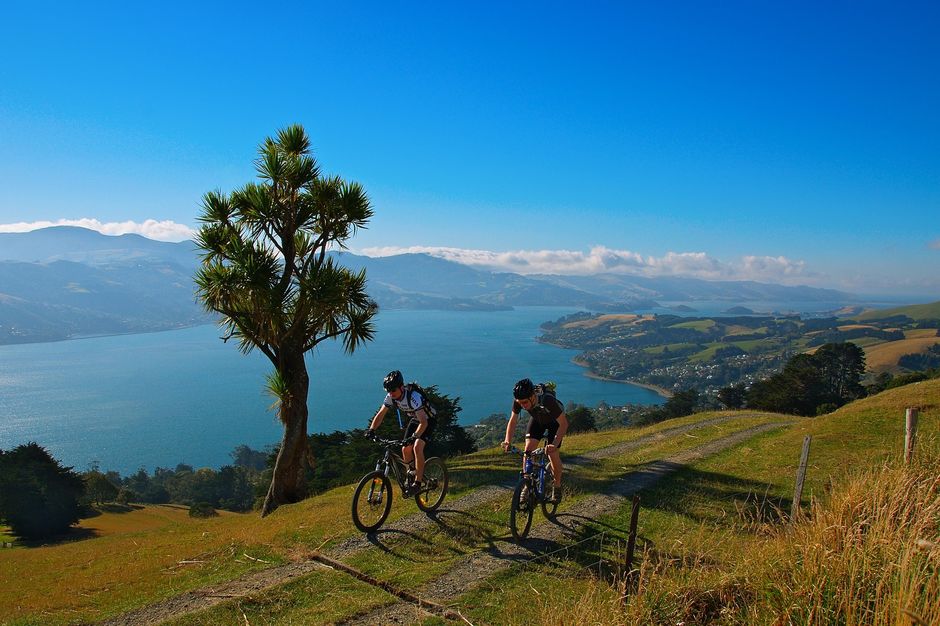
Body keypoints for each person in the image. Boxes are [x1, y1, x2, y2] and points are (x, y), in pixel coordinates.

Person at [366, 370, 436, 496]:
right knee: (405, 449)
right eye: (388, 391)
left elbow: (424, 423)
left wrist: (414, 437)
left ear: (401, 387)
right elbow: (381, 414)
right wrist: (371, 429)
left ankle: (417, 484)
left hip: (428, 420)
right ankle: (412, 475)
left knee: (417, 447)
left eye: (393, 390)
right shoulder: (390, 397)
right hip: (416, 420)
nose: (391, 393)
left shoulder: (413, 397)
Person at [502, 378, 568, 503]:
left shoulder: (547, 401)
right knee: (528, 450)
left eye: (525, 402)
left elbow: (564, 424)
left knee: (552, 454)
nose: (523, 406)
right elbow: (513, 420)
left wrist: (553, 444)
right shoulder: (519, 401)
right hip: (538, 420)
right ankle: (527, 484)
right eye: (520, 402)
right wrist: (507, 441)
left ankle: (557, 486)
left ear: (533, 396)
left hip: (555, 424)